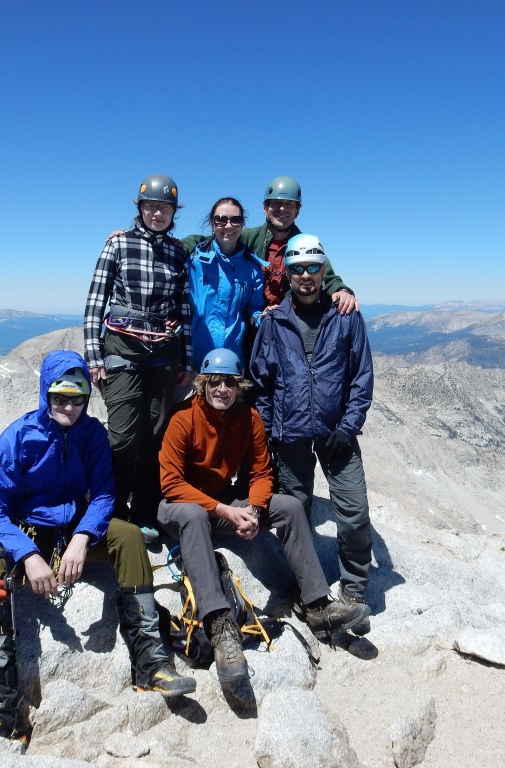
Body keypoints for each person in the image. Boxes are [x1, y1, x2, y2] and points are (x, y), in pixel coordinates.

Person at [0, 350, 195, 741]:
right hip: (27, 528)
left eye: (77, 398)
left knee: (129, 534)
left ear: (88, 397)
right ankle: (0, 706)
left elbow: (104, 495)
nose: (69, 406)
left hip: (74, 527)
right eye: (59, 397)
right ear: (45, 394)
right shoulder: (18, 437)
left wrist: (84, 538)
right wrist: (28, 555)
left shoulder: (92, 435)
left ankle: (151, 662)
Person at [157, 348, 364, 688]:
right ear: (203, 385)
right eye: (214, 382)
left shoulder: (248, 418)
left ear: (238, 387)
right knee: (195, 514)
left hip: (225, 504)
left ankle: (317, 605)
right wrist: (227, 511)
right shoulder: (183, 419)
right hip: (179, 507)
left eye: (229, 383)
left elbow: (261, 472)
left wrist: (252, 510)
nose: (222, 389)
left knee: (291, 506)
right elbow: (171, 483)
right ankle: (220, 626)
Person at [250, 234, 374, 633]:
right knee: (296, 514)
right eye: (298, 268)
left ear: (324, 271)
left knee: (353, 514)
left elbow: (361, 377)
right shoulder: (273, 321)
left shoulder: (346, 316)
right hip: (291, 439)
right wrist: (268, 434)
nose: (305, 276)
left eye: (313, 267)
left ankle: (354, 593)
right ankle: (307, 590)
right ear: (287, 272)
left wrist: (348, 426)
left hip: (337, 434)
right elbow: (262, 384)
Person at [84, 174, 194, 539]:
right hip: (123, 349)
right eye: (151, 206)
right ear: (140, 208)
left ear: (173, 212)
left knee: (156, 436)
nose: (157, 213)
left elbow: (184, 309)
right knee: (123, 436)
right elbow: (95, 302)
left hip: (164, 352)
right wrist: (94, 355)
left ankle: (146, 512)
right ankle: (112, 511)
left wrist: (188, 359)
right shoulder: (118, 245)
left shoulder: (179, 253)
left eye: (164, 208)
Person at [179, 175, 358, 315]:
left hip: (290, 321)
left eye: (289, 205)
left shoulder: (305, 244)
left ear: (298, 211)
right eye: (276, 204)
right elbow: (212, 238)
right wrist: (179, 246)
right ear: (265, 208)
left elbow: (324, 272)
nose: (282, 209)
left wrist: (341, 290)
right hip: (252, 321)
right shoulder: (250, 237)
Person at [186, 197, 266, 366]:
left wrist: (263, 317)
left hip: (231, 363)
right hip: (191, 362)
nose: (228, 226)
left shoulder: (252, 269)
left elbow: (254, 309)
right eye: (221, 219)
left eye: (235, 220)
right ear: (212, 223)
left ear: (242, 224)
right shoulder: (193, 263)